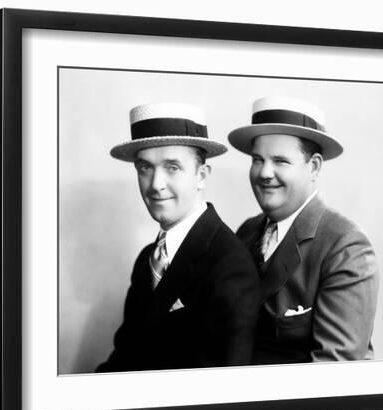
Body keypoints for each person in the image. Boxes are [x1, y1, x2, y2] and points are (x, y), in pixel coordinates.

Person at [95, 102, 260, 372]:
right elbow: (124, 357)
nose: (156, 184)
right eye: (145, 168)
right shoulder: (147, 260)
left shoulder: (229, 267)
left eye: (172, 167)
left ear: (201, 175)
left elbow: (222, 390)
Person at [228, 96, 378, 364]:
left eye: (281, 161)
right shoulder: (247, 233)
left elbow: (336, 369)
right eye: (257, 159)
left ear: (314, 167)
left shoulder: (345, 246)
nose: (264, 173)